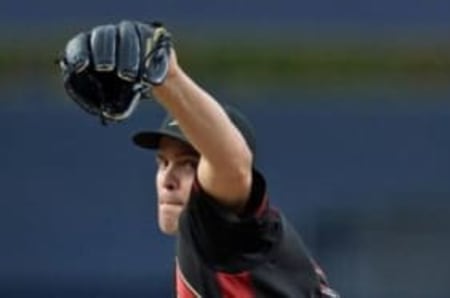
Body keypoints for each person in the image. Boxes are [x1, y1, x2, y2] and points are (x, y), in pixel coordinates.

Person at [59, 20, 339, 297]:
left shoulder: (231, 236)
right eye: (163, 163)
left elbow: (231, 165)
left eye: (189, 164)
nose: (167, 180)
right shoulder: (258, 255)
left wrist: (168, 78)